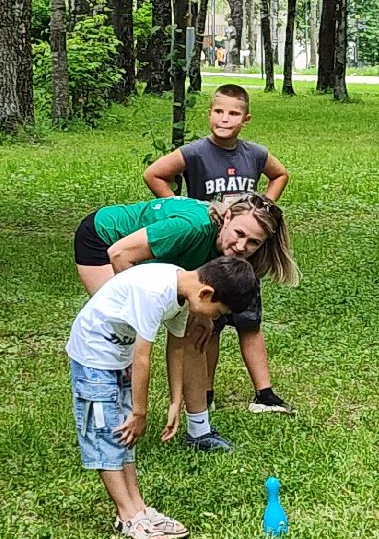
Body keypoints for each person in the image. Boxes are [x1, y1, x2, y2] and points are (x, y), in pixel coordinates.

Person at [73, 192, 299, 452]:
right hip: (104, 241)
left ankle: (199, 431)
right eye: (239, 233)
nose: (241, 247)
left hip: (159, 262)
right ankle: (109, 428)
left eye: (253, 243)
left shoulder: (225, 250)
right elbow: (120, 253)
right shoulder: (192, 228)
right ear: (226, 217)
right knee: (119, 336)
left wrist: (200, 316)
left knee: (197, 333)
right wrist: (141, 308)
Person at [67, 256, 258, 539]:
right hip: (93, 357)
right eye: (216, 312)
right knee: (105, 434)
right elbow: (143, 358)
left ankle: (139, 508)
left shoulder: (183, 293)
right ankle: (127, 516)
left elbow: (177, 346)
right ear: (206, 294)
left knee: (123, 435)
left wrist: (175, 401)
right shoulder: (155, 292)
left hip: (117, 358)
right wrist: (140, 412)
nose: (213, 319)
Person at [143, 84, 297, 417]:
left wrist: (264, 207)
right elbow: (153, 174)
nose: (224, 119)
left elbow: (280, 174)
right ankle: (205, 393)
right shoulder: (195, 152)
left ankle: (265, 394)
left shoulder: (254, 153)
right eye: (218, 111)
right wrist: (184, 205)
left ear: (246, 119)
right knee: (207, 325)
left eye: (233, 113)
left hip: (243, 258)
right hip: (211, 255)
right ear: (209, 113)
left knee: (249, 321)